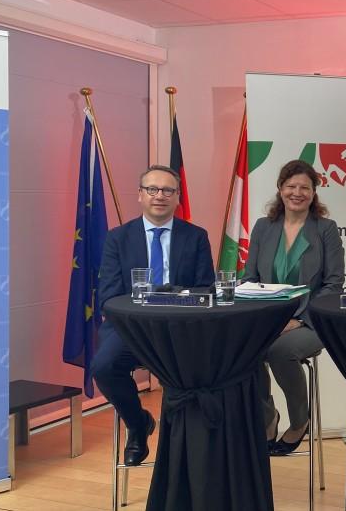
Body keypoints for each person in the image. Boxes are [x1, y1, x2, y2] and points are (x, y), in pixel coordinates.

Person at [92, 165, 215, 466]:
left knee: (200, 374)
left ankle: (185, 448)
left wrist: (171, 302)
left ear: (177, 197)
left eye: (168, 190)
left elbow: (205, 290)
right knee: (104, 366)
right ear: (140, 195)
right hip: (130, 329)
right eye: (152, 189)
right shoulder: (118, 238)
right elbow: (108, 297)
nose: (160, 195)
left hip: (180, 328)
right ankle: (137, 424)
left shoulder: (196, 236)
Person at [244, 160, 345, 456]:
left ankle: (300, 421)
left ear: (314, 193)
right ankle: (267, 418)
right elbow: (250, 279)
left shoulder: (325, 229)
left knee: (279, 351)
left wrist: (299, 320)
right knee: (245, 349)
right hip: (267, 319)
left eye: (304, 187)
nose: (297, 193)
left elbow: (333, 285)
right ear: (280, 188)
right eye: (291, 186)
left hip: (313, 322)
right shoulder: (263, 227)